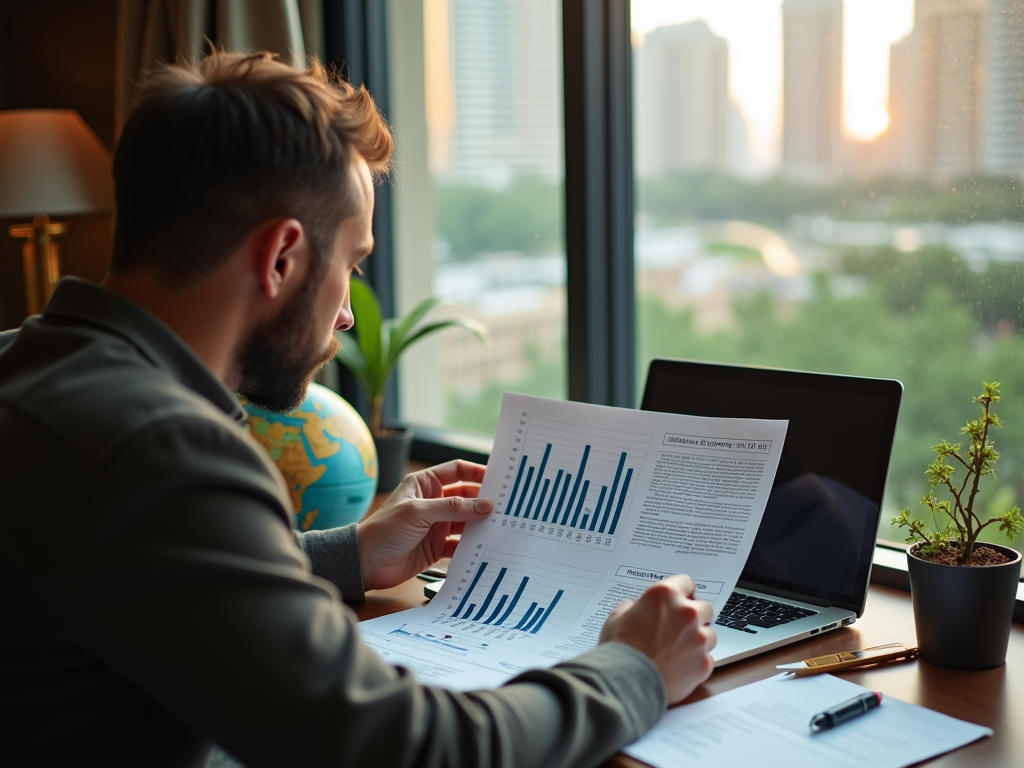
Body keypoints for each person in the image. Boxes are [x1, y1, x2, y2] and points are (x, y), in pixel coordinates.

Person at [0, 51, 715, 768]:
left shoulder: (31, 367)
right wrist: (636, 669)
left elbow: (137, 571)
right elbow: (406, 750)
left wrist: (350, 554)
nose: (344, 314)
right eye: (351, 262)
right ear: (281, 256)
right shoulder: (160, 448)